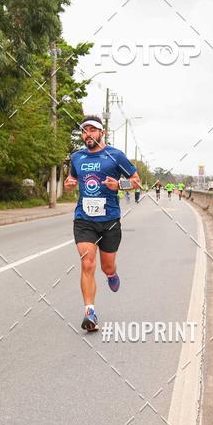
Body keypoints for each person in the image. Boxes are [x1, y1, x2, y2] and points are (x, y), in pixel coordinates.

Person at [64, 116, 141, 331]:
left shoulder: (115, 155)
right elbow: (71, 181)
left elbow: (137, 181)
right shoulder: (77, 157)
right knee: (87, 263)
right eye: (84, 130)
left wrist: (119, 185)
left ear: (102, 133)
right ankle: (90, 312)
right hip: (84, 219)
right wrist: (69, 186)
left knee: (107, 266)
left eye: (92, 130)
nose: (87, 134)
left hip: (109, 220)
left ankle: (112, 274)